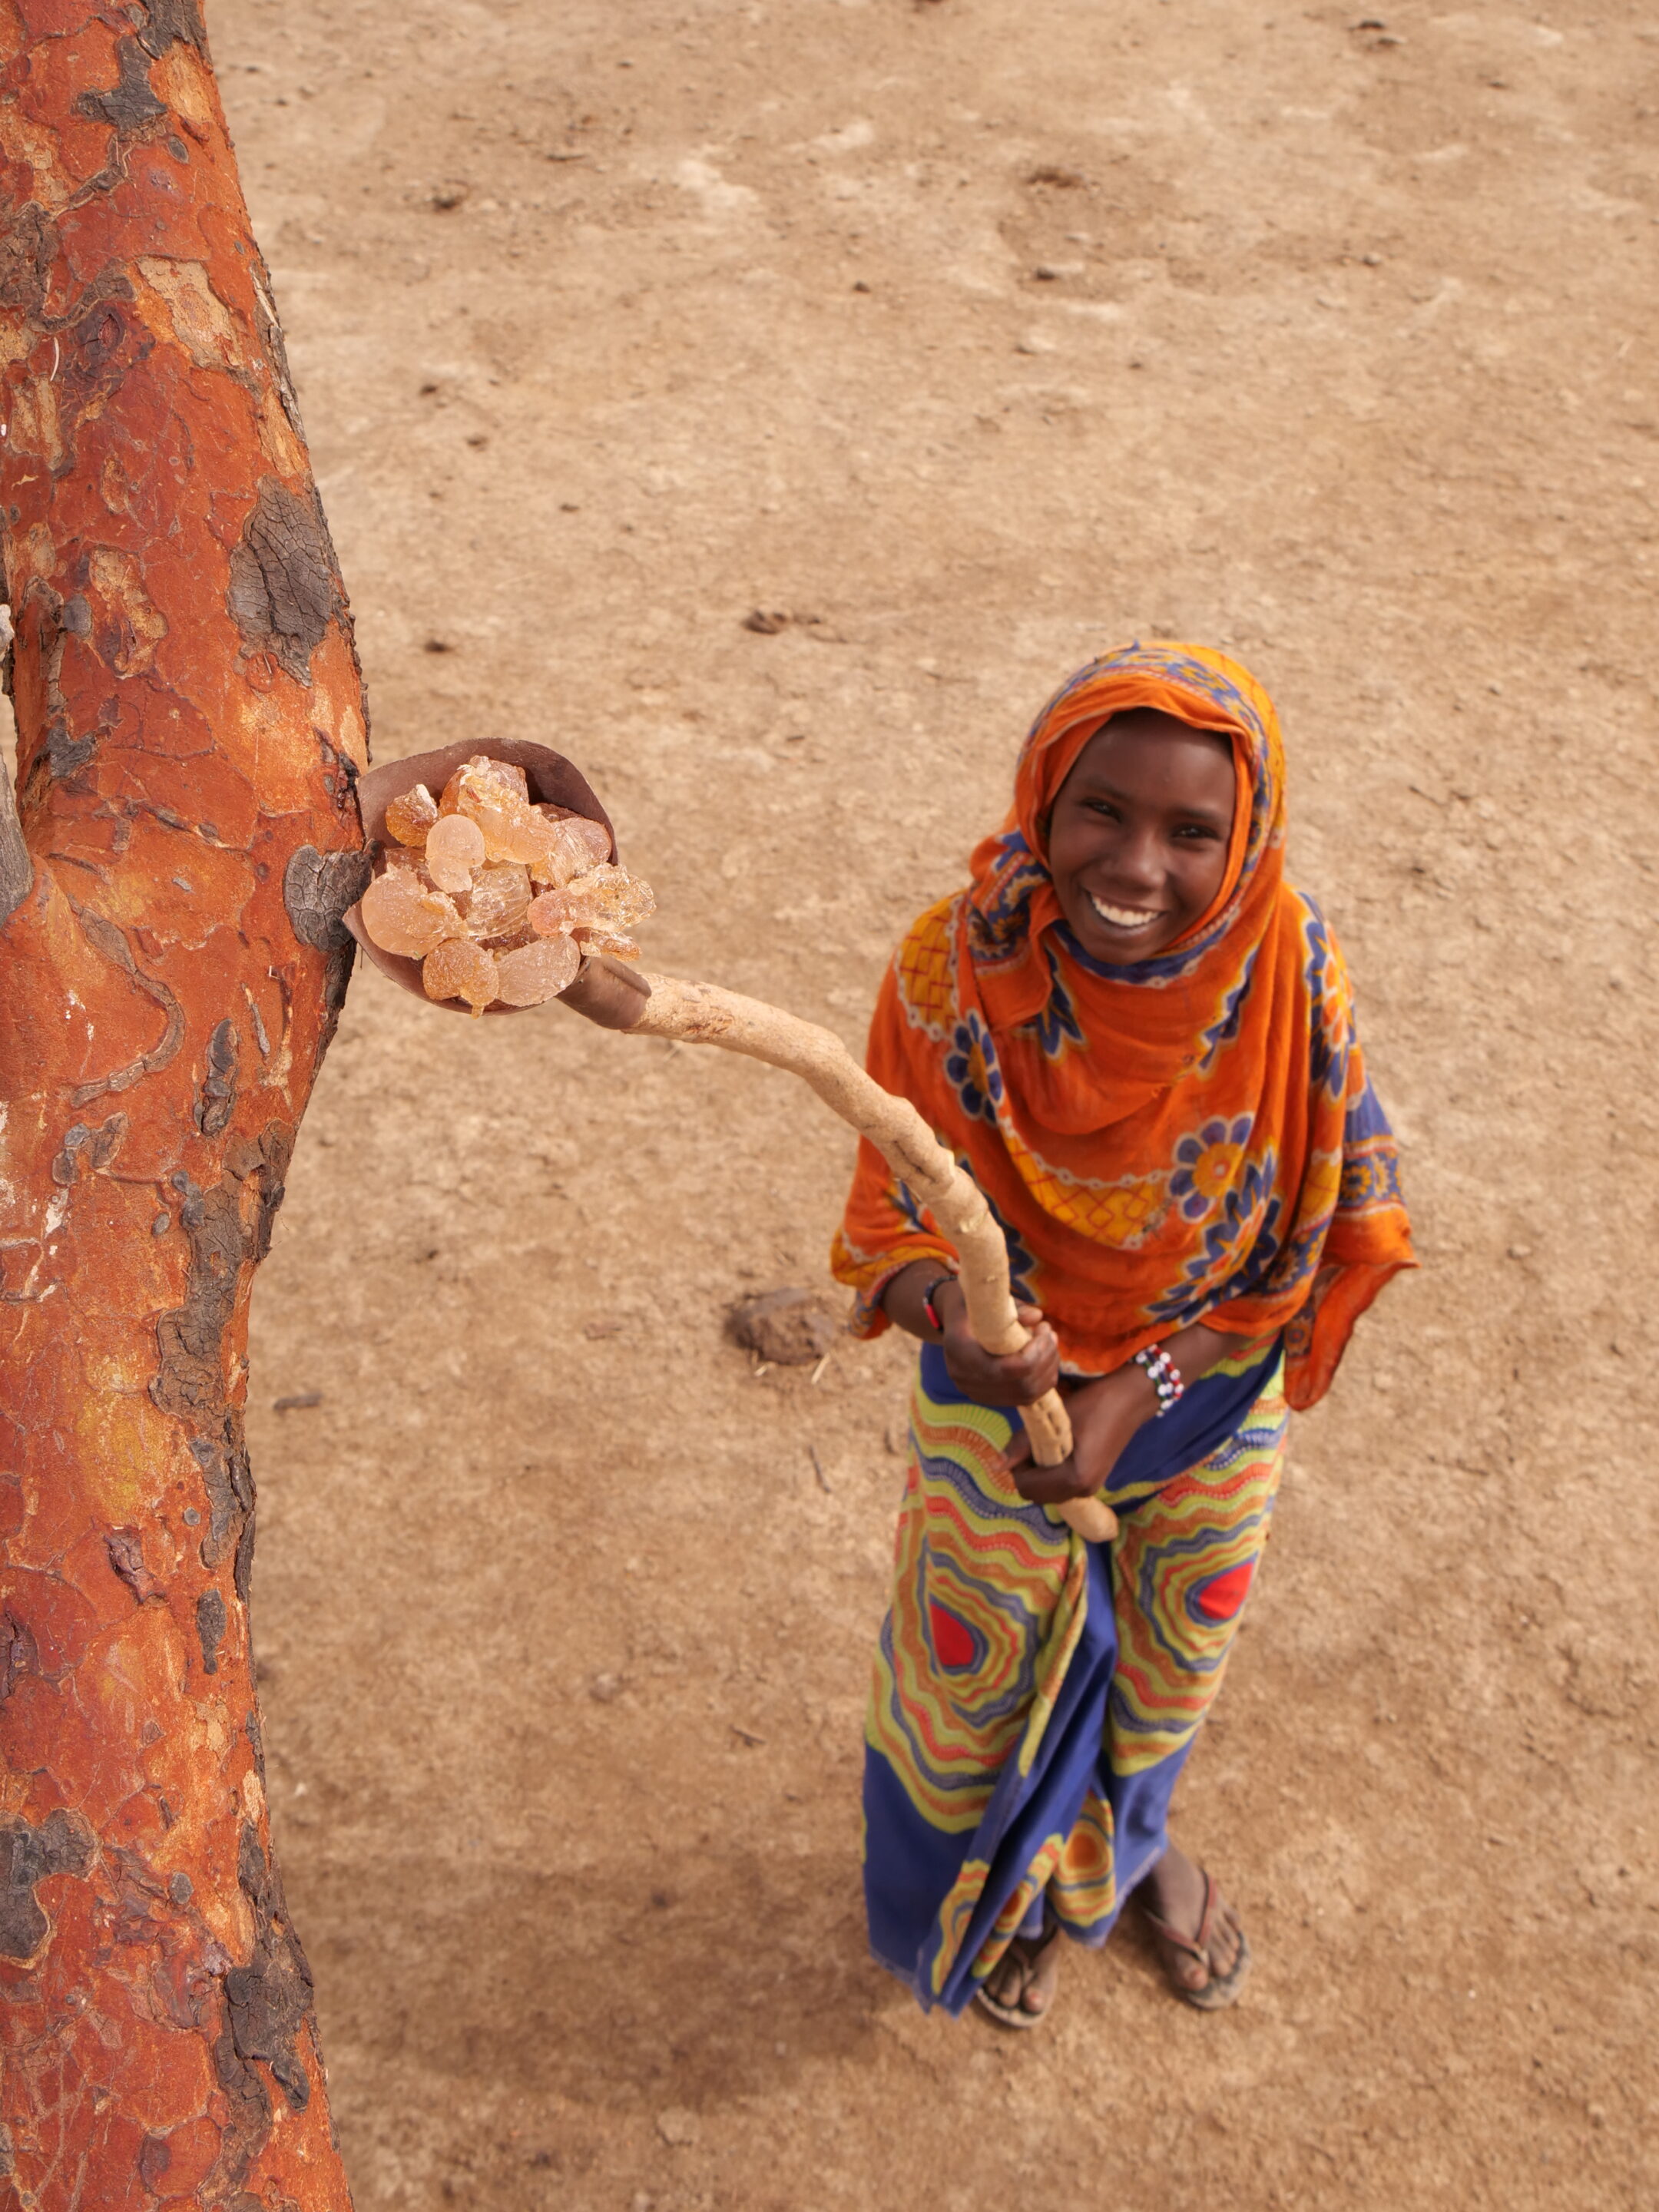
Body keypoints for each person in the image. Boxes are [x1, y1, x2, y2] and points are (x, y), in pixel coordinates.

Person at [831, 641, 1415, 2026]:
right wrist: (964, 1331)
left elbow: (1300, 1238)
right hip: (1001, 1407)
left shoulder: (1289, 972)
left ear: (1249, 839)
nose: (1136, 864)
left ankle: (1122, 1861)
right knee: (969, 1671)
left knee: (1168, 1666)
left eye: (1191, 831)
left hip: (1208, 1401)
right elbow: (889, 1228)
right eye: (1103, 811)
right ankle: (999, 1899)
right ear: (1045, 799)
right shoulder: (949, 969)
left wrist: (1140, 1388)